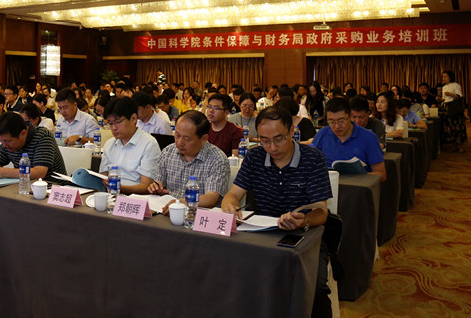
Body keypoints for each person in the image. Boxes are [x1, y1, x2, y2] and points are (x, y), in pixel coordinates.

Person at [221, 106, 333, 318]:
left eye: (279, 139)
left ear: (291, 131)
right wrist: (230, 205)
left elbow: (321, 212)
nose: (272, 147)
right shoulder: (254, 157)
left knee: (315, 289)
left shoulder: (313, 158)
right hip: (262, 234)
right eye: (264, 140)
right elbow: (232, 195)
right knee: (233, 274)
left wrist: (303, 221)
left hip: (303, 236)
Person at [147, 110, 230, 213]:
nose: (179, 142)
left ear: (204, 139)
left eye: (187, 138)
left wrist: (180, 203)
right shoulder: (168, 151)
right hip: (167, 211)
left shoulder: (217, 159)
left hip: (198, 215)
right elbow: (159, 182)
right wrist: (156, 187)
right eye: (177, 135)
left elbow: (212, 198)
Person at [312, 97, 386, 182]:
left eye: (341, 121)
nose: (337, 126)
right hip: (327, 186)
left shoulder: (369, 138)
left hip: (358, 187)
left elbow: (381, 174)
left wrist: (356, 177)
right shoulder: (322, 134)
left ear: (350, 116)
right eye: (331, 122)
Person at [0, 111, 67, 184]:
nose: (4, 145)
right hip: (24, 187)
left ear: (23, 133)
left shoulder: (43, 136)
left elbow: (40, 173)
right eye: (1, 141)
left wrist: (3, 172)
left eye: (7, 141)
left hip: (52, 188)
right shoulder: (7, 142)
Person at [99, 96, 161, 194]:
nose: (114, 128)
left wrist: (121, 188)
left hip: (136, 198)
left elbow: (147, 186)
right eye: (110, 123)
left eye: (118, 122)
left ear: (133, 119)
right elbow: (103, 176)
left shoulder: (149, 144)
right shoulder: (109, 144)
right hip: (111, 196)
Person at [439, 70, 467, 152]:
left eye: (445, 76)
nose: (444, 78)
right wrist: (440, 99)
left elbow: (459, 96)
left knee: (458, 127)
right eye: (443, 77)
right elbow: (445, 99)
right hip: (447, 108)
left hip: (455, 108)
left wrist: (451, 94)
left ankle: (461, 146)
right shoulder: (444, 87)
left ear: (450, 77)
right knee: (450, 128)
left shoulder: (456, 85)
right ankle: (455, 145)